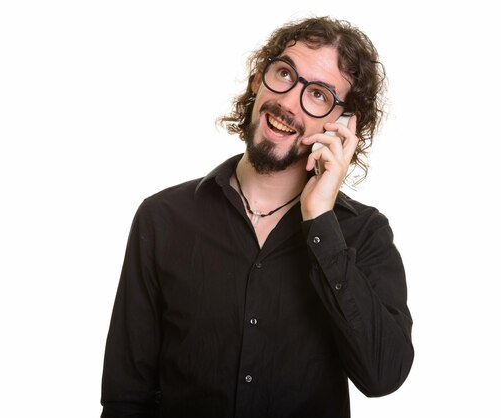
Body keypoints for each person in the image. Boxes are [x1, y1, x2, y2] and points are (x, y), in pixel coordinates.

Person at [100, 16, 414, 418]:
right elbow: (126, 395)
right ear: (258, 79)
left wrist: (320, 220)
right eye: (284, 73)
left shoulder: (364, 233)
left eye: (318, 94)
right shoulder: (162, 219)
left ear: (343, 126)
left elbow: (384, 375)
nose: (287, 102)